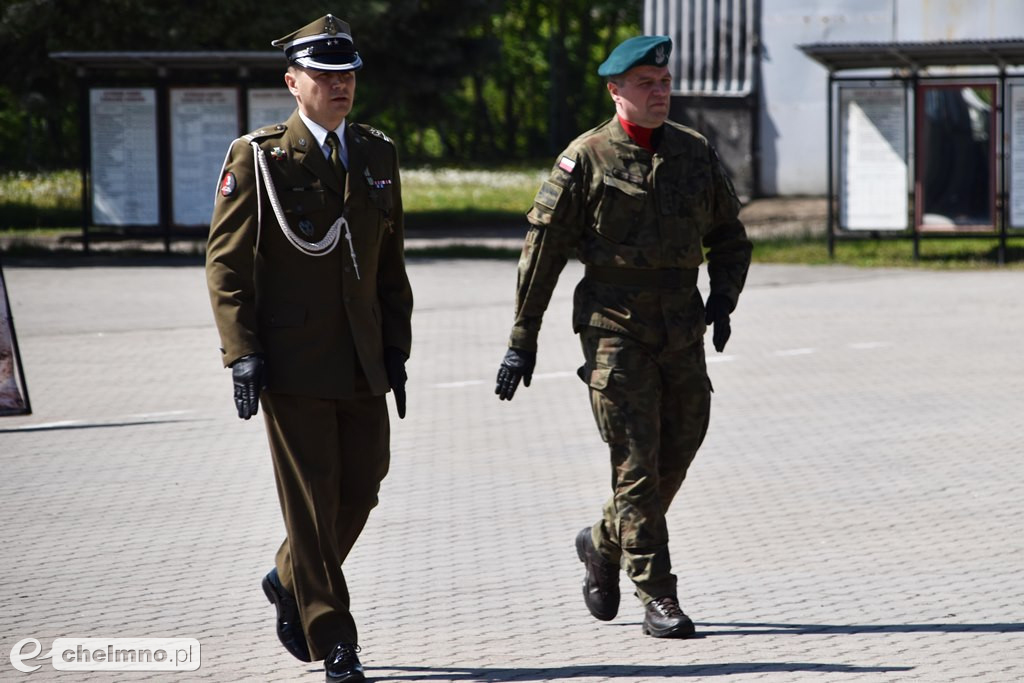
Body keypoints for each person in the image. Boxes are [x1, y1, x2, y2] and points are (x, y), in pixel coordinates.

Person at [494, 35, 751, 639]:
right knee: (635, 464)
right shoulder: (586, 159)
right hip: (614, 330)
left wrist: (724, 297)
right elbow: (544, 252)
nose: (660, 93)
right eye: (645, 84)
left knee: (677, 453)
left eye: (663, 83)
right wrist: (521, 339)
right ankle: (659, 595)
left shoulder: (694, 152)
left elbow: (730, 235)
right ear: (616, 91)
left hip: (682, 328)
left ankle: (603, 541)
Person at [206, 14, 412, 682]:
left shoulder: (376, 154)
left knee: (364, 484)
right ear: (293, 82)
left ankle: (286, 574)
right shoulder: (259, 157)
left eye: (347, 73)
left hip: (361, 357)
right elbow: (226, 265)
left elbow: (390, 265)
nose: (339, 85)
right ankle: (336, 637)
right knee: (312, 502)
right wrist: (241, 352)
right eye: (324, 74)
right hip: (292, 361)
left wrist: (397, 349)